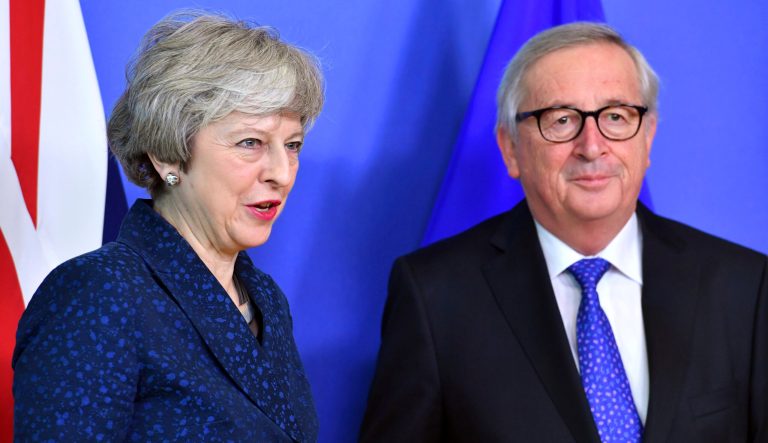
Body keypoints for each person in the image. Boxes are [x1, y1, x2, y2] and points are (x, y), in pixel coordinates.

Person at [360, 22, 767, 442]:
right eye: (561, 120)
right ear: (510, 149)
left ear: (648, 137)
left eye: (615, 116)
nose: (592, 146)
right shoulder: (435, 295)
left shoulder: (744, 287)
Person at [13, 11, 324, 442]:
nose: (282, 172)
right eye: (250, 142)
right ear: (168, 156)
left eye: (291, 145)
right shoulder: (98, 292)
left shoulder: (265, 298)